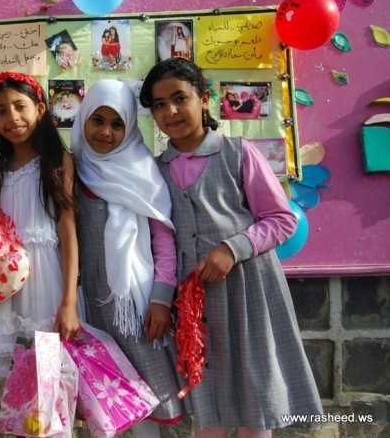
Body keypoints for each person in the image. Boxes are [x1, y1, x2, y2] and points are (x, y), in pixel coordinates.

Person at [139, 58, 323, 437]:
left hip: (248, 292)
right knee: (209, 402)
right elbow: (162, 241)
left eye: (180, 98)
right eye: (159, 104)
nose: (171, 111)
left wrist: (232, 248)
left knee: (255, 397)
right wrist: (160, 298)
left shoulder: (238, 153)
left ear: (204, 98)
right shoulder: (156, 171)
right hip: (193, 304)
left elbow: (281, 219)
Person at [71, 79, 186, 437]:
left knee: (144, 393)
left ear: (131, 126)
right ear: (83, 119)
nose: (105, 132)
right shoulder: (71, 170)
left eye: (117, 123)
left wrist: (161, 299)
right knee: (100, 396)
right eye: (97, 120)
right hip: (87, 304)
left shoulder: (142, 171)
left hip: (135, 307)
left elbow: (163, 239)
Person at [0, 71, 81, 382]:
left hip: (48, 287)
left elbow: (68, 231)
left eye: (20, 106)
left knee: (51, 381)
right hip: (6, 288)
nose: (12, 118)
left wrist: (68, 302)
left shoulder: (57, 161)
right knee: (14, 385)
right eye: (1, 111)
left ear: (40, 109)